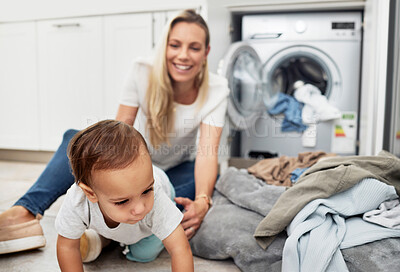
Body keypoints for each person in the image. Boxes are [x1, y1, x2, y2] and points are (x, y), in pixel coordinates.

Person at [0, 8, 229, 255]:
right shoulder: (142, 71)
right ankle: (23, 213)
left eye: (194, 48)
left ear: (206, 53)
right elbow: (120, 131)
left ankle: (105, 237)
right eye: (175, 45)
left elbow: (207, 152)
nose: (183, 55)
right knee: (73, 139)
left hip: (172, 170)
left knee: (200, 183)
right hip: (133, 160)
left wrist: (203, 201)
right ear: (164, 46)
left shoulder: (216, 90)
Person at [56, 120, 193, 271]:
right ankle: (106, 238)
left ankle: (107, 240)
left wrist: (147, 193)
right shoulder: (77, 200)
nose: (140, 209)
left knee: (143, 254)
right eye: (122, 201)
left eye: (147, 191)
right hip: (127, 199)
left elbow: (180, 248)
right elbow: (67, 247)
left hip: (160, 201)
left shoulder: (157, 197)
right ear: (90, 193)